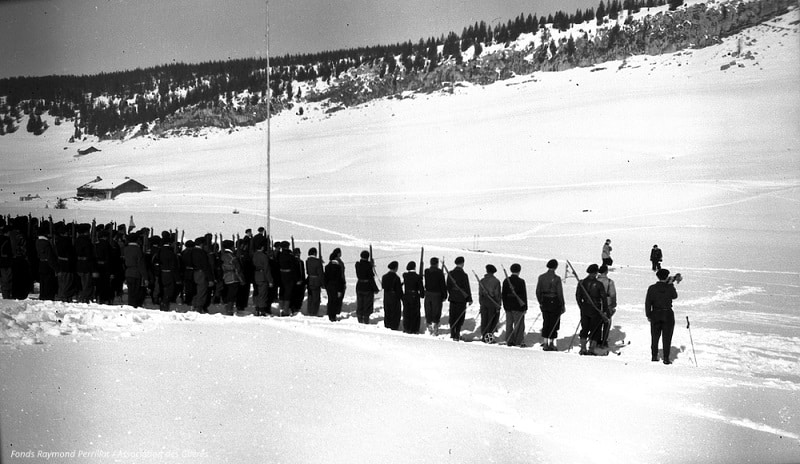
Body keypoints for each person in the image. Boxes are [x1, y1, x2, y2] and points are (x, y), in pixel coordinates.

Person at [645, 268, 678, 364]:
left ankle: (654, 356)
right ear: (666, 277)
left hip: (655, 313)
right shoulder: (669, 287)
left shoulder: (652, 288)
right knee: (667, 337)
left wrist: (648, 314)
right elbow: (675, 296)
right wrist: (671, 284)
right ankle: (666, 358)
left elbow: (648, 303)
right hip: (667, 314)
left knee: (655, 336)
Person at [575, 264, 608, 355]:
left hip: (585, 307)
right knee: (595, 329)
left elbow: (578, 296)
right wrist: (604, 310)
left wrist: (581, 306)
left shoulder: (582, 283)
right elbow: (604, 298)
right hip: (595, 309)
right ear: (595, 273)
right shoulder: (598, 284)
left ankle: (583, 348)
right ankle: (591, 348)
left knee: (584, 328)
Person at [535, 259, 565, 351]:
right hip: (554, 301)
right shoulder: (557, 278)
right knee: (554, 322)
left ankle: (545, 342)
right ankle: (551, 343)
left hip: (545, 301)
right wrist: (562, 304)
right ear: (555, 267)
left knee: (546, 321)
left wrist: (541, 302)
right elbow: (560, 293)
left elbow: (538, 291)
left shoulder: (541, 277)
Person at [446, 256, 472, 341]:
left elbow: (448, 286)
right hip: (461, 299)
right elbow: (467, 287)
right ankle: (457, 333)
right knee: (460, 316)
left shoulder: (450, 273)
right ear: (462, 263)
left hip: (453, 298)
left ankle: (452, 333)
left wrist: (452, 294)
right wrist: (469, 299)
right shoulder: (464, 275)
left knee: (452, 315)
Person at [501, 263, 528, 347]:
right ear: (519, 271)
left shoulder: (506, 281)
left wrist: (505, 305)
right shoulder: (521, 281)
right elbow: (523, 295)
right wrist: (525, 306)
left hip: (508, 305)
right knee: (519, 325)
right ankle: (518, 341)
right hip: (518, 306)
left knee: (509, 324)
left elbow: (503, 294)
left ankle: (509, 340)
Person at [156, 231, 179, 312]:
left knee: (163, 289)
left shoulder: (159, 251)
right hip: (169, 274)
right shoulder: (171, 253)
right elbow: (174, 267)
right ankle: (165, 305)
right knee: (169, 291)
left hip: (161, 273)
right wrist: (177, 278)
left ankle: (162, 303)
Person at [220, 240, 245, 316]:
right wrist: (242, 280)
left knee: (226, 293)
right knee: (232, 294)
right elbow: (238, 269)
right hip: (233, 277)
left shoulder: (222, 255)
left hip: (224, 277)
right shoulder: (232, 257)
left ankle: (227, 308)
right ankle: (229, 310)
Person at [478, 264, 502, 343]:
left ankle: (484, 335)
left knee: (484, 319)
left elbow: (480, 293)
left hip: (484, 301)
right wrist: (498, 305)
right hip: (493, 302)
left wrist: (481, 303)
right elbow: (497, 294)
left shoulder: (482, 281)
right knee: (492, 319)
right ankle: (489, 336)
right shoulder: (496, 281)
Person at [123, 233, 148, 308]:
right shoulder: (138, 249)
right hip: (136, 273)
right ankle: (134, 306)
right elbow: (141, 264)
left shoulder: (126, 249)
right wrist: (145, 277)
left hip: (128, 272)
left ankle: (130, 305)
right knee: (136, 292)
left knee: (130, 291)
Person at [423, 257, 447, 336]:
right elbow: (443, 285)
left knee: (428, 311)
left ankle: (429, 328)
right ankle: (435, 329)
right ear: (437, 264)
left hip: (428, 294)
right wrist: (444, 295)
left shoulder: (426, 271)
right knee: (436, 312)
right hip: (437, 295)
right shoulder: (439, 272)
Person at [355, 250, 379, 324]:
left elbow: (361, 265)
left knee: (360, 303)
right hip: (367, 287)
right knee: (367, 304)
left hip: (359, 285)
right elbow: (371, 278)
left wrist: (370, 264)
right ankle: (365, 318)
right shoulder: (368, 266)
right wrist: (375, 288)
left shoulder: (358, 264)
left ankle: (359, 317)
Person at [597, 264, 617, 348]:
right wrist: (613, 304)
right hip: (607, 304)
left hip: (597, 304)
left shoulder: (596, 280)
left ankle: (596, 340)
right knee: (607, 323)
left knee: (597, 324)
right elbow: (613, 294)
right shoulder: (610, 282)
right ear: (606, 271)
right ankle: (604, 341)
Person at [324, 248, 346, 322]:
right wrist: (341, 287)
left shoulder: (327, 267)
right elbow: (340, 278)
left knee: (330, 300)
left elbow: (325, 277)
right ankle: (333, 315)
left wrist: (326, 285)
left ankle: (330, 314)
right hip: (336, 286)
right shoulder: (338, 267)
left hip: (329, 286)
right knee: (335, 300)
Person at [402, 261, 424, 334]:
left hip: (407, 295)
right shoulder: (417, 277)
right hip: (415, 296)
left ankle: (406, 328)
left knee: (407, 312)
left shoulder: (405, 275)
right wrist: (422, 294)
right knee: (415, 313)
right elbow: (421, 288)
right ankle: (414, 329)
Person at [252, 240, 273, 316]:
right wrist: (270, 280)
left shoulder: (254, 255)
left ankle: (257, 309)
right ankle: (262, 310)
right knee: (263, 294)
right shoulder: (264, 256)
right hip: (263, 276)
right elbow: (267, 269)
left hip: (255, 276)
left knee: (257, 293)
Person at [381, 261, 403, 330]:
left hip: (387, 296)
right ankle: (394, 326)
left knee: (387, 311)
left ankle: (387, 325)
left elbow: (384, 286)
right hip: (394, 297)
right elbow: (399, 290)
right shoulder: (396, 278)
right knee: (395, 312)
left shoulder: (384, 277)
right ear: (396, 268)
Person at [305, 247, 324, 316]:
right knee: (316, 298)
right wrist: (323, 283)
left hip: (310, 280)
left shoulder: (307, 261)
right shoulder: (317, 261)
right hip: (316, 281)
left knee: (310, 297)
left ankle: (309, 310)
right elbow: (320, 273)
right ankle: (314, 312)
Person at [289, 248, 306, 315]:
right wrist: (297, 280)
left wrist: (303, 281)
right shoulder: (292, 261)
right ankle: (293, 308)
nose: (298, 255)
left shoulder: (301, 262)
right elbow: (293, 272)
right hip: (295, 282)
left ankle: (298, 308)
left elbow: (303, 272)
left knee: (300, 296)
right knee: (294, 296)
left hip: (301, 282)